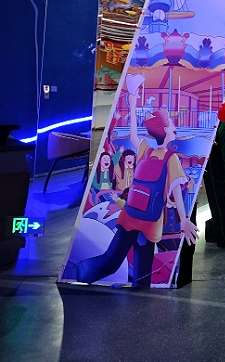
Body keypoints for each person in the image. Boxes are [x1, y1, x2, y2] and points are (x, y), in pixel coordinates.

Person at [76, 73, 198, 288]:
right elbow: (177, 191)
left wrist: (132, 100)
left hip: (130, 215)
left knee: (111, 260)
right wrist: (185, 219)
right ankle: (139, 295)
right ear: (165, 130)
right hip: (150, 222)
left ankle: (80, 272)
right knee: (142, 271)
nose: (175, 128)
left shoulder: (145, 150)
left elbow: (133, 133)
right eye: (171, 125)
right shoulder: (170, 158)